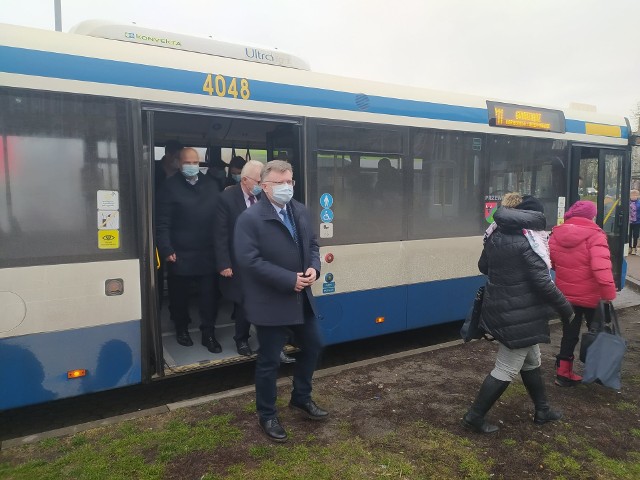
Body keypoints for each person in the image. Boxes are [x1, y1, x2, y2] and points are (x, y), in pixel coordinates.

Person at [462, 194, 574, 434]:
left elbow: (483, 267)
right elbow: (544, 284)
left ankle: (542, 410)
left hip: (504, 306)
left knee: (532, 359)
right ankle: (474, 416)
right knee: (506, 368)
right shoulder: (529, 242)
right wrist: (566, 309)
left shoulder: (495, 234)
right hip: (520, 313)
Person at [234, 160, 327, 442]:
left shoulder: (299, 210)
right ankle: (267, 414)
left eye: (290, 182)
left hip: (301, 299)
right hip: (270, 302)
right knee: (269, 361)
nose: (287, 187)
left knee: (314, 345)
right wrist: (289, 279)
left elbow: (312, 245)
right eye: (280, 183)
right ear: (264, 186)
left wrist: (314, 268)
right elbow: (248, 261)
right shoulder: (250, 219)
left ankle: (301, 397)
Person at [156, 147, 222, 353]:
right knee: (179, 297)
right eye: (188, 162)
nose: (192, 166)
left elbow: (220, 221)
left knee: (209, 298)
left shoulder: (212, 185)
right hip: (179, 253)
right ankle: (181, 328)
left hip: (208, 252)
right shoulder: (168, 187)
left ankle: (208, 333)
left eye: (196, 162)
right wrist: (166, 248)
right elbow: (162, 223)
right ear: (178, 163)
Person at [549, 200, 616, 386]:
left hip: (565, 295)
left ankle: (563, 374)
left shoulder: (556, 234)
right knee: (598, 332)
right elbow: (601, 270)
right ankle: (598, 372)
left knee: (569, 334)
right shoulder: (596, 235)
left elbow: (553, 263)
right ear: (591, 216)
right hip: (591, 297)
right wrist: (608, 295)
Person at [215, 160, 264, 356]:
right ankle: (241, 339)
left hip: (263, 259)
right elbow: (220, 234)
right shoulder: (227, 199)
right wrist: (224, 263)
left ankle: (270, 340)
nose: (262, 184)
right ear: (245, 180)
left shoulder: (264, 197)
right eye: (259, 180)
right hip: (240, 260)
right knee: (245, 301)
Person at [629, 190, 640, 254]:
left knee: (635, 235)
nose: (633, 197)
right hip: (629, 222)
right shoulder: (628, 203)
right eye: (632, 195)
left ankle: (634, 247)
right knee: (629, 235)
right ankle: (629, 247)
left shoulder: (639, 203)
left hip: (637, 222)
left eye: (635, 195)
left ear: (638, 196)